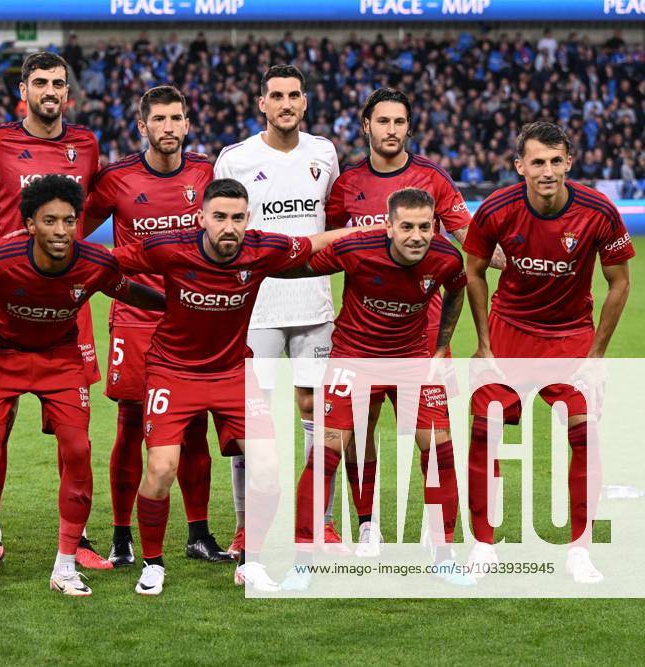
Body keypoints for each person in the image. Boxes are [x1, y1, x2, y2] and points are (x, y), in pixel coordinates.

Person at [111, 178, 371, 595]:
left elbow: (312, 242)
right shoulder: (169, 248)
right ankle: (153, 563)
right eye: (219, 217)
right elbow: (109, 260)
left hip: (233, 372)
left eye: (236, 218)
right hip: (172, 371)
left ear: (247, 219)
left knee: (268, 471)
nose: (228, 227)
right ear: (202, 219)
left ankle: (251, 562)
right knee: (161, 469)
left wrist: (362, 233)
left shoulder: (261, 249)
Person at [0, 176, 165, 601]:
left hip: (59, 356)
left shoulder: (95, 261)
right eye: (49, 221)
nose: (60, 230)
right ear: (29, 224)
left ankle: (66, 565)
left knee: (77, 449)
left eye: (68, 221)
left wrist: (175, 304)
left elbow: (128, 290)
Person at [323, 86, 502, 539]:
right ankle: (366, 524)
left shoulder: (434, 179)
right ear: (366, 126)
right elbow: (324, 250)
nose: (391, 130)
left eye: (399, 122)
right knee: (359, 433)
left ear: (409, 126)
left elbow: (472, 241)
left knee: (435, 439)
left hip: (423, 338)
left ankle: (439, 536)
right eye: (383, 121)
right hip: (361, 337)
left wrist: (527, 258)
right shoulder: (346, 186)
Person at [462, 121, 634, 584]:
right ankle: (482, 543)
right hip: (510, 331)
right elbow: (473, 271)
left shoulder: (598, 211)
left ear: (569, 163)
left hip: (571, 335)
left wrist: (596, 357)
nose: (547, 170)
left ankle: (579, 549)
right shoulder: (497, 208)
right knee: (485, 430)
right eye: (537, 161)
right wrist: (482, 344)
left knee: (586, 433)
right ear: (520, 166)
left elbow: (620, 283)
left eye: (556, 161)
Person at [288, 188, 472, 590]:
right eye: (406, 226)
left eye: (425, 227)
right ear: (388, 226)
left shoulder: (445, 257)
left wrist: (441, 346)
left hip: (412, 360)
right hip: (352, 359)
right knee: (327, 451)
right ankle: (303, 561)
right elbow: (301, 266)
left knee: (440, 449)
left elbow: (457, 289)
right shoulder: (356, 248)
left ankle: (443, 555)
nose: (416, 236)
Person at [0, 52, 108, 570]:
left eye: (58, 83)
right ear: (22, 93)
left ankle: (79, 539)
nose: (50, 91)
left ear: (67, 94)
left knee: (73, 433)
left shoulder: (86, 145)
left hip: (68, 299)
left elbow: (90, 209)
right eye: (40, 83)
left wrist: (65, 253)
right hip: (8, 293)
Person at [82, 85, 227, 567]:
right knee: (128, 425)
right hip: (137, 317)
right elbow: (73, 231)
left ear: (188, 124)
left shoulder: (208, 172)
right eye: (158, 119)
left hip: (196, 318)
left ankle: (199, 533)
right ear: (142, 127)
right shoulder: (116, 179)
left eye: (176, 118)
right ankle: (122, 536)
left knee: (195, 428)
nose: (168, 127)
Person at [214, 64, 343, 557]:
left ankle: (318, 522)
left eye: (294, 95)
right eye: (276, 96)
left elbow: (329, 217)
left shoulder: (324, 152)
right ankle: (250, 527)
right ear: (261, 104)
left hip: (313, 304)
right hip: (255, 307)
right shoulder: (236, 158)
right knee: (254, 419)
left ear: (304, 103)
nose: (285, 104)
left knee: (317, 411)